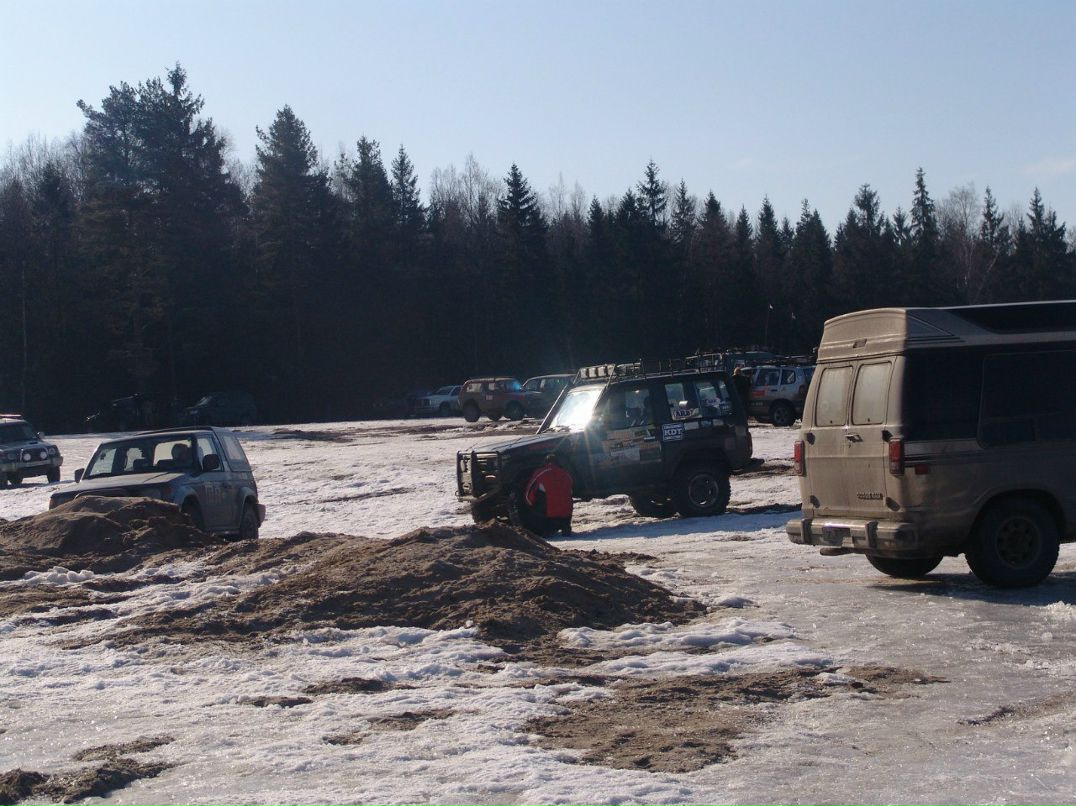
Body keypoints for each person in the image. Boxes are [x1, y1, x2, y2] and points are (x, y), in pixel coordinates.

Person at [524, 453, 574, 536]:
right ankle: (566, 529)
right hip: (566, 512)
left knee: (540, 496)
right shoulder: (565, 472)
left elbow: (530, 490)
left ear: (545, 462)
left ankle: (546, 531)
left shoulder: (540, 472)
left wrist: (530, 504)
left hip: (549, 513)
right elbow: (571, 487)